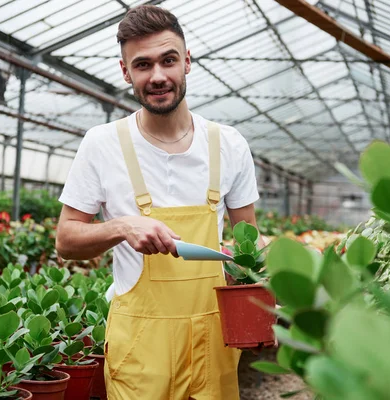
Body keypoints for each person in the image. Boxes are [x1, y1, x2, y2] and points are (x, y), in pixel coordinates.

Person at [56, 5, 264, 399]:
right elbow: (66, 240)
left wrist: (261, 284)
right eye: (143, 64)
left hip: (213, 343)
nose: (158, 76)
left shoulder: (229, 144)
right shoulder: (102, 144)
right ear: (125, 71)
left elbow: (248, 244)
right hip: (140, 347)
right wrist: (123, 226)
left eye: (168, 60)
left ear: (187, 62)